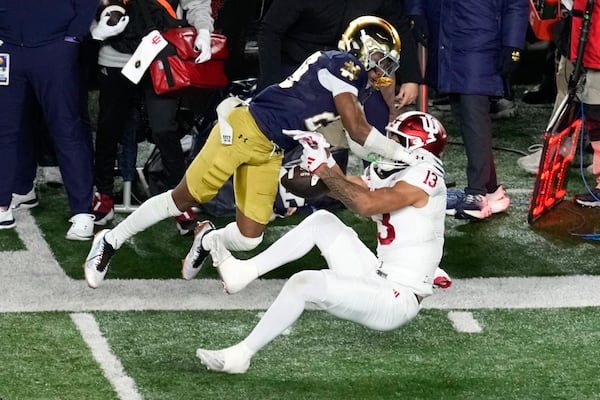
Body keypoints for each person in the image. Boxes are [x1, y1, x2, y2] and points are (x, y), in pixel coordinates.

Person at [83, 16, 442, 289]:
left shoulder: (356, 82)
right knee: (183, 199)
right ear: (360, 48)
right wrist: (408, 156)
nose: (383, 66)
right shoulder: (340, 64)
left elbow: (357, 139)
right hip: (244, 130)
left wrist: (385, 162)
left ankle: (207, 239)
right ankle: (109, 241)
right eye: (379, 56)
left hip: (271, 148)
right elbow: (359, 130)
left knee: (250, 235)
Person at [195, 111, 449, 374]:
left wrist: (324, 170)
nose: (389, 144)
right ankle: (244, 272)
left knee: (303, 283)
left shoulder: (424, 175)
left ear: (417, 148)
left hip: (397, 296)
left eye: (397, 140)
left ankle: (241, 355)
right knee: (322, 221)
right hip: (378, 274)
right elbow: (342, 188)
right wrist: (320, 158)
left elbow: (364, 203)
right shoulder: (395, 171)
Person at [89, 0, 214, 235]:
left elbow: (196, 3)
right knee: (109, 127)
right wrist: (95, 30)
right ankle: (103, 194)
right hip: (116, 53)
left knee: (164, 127)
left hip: (161, 53)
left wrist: (204, 30)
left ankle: (180, 199)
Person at [405, 0, 529, 220]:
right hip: (446, 34)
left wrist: (513, 45)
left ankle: (477, 193)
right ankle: (489, 190)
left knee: (473, 116)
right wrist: (417, 12)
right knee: (465, 116)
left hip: (481, 38)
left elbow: (516, 3)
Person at [0, 1, 98, 238]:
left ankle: (82, 211)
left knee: (66, 126)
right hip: (8, 47)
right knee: (5, 128)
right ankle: (3, 202)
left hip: (55, 47)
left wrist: (73, 37)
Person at [257, 0, 423, 132]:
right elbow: (270, 31)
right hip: (299, 63)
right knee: (298, 119)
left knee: (377, 114)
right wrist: (270, 83)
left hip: (348, 66)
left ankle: (378, 172)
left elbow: (399, 27)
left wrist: (411, 78)